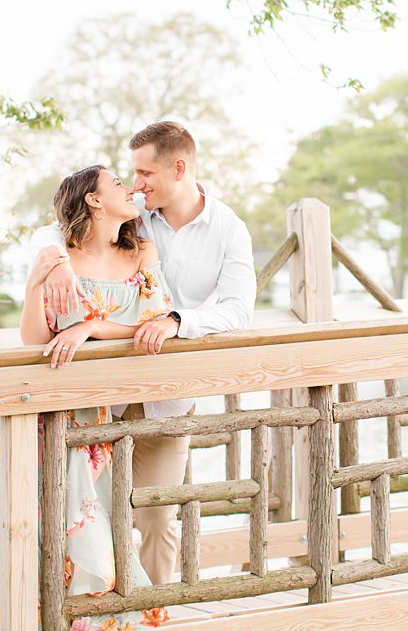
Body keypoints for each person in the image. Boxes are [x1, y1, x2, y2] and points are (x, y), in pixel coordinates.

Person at [28, 121, 256, 584]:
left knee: (156, 516)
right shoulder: (132, 213)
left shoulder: (229, 229)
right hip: (96, 400)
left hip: (168, 393)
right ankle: (91, 620)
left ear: (179, 167)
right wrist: (54, 265)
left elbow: (238, 310)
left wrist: (176, 322)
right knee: (88, 516)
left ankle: (152, 618)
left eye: (144, 173)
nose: (136, 185)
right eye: (131, 174)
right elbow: (52, 230)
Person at [17, 164, 171, 631]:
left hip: (98, 412)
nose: (130, 189)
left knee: (97, 520)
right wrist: (34, 286)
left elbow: (155, 320)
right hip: (51, 408)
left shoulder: (141, 251)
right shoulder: (57, 256)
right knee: (47, 524)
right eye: (118, 185)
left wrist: (89, 327)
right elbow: (33, 338)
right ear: (94, 200)